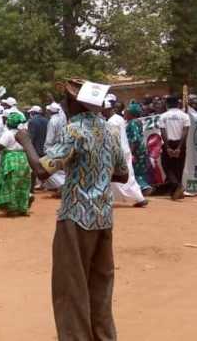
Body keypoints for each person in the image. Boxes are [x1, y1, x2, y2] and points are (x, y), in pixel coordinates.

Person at [17, 78, 128, 341]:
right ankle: (104, 336)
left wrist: (25, 141)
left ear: (73, 103)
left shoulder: (74, 131)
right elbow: (122, 174)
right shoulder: (110, 130)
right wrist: (94, 171)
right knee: (100, 284)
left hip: (76, 215)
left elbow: (43, 170)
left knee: (70, 285)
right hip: (103, 216)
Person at [104, 96, 149, 207]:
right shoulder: (118, 118)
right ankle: (138, 198)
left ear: (107, 109)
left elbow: (114, 139)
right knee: (125, 177)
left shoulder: (112, 122)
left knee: (121, 178)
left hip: (118, 152)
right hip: (124, 150)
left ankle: (138, 198)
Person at [0, 111, 33, 216]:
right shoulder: (24, 133)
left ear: (8, 123)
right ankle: (23, 206)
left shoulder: (8, 134)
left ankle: (12, 208)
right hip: (23, 160)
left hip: (11, 160)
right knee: (22, 183)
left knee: (10, 184)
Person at [158, 95, 190, 200]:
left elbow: (163, 132)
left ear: (167, 104)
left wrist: (167, 147)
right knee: (179, 167)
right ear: (178, 104)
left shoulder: (163, 116)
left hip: (169, 143)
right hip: (180, 143)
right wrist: (179, 147)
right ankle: (177, 191)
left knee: (166, 166)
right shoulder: (185, 116)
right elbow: (185, 132)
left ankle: (177, 187)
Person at [125, 100, 153, 195]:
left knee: (135, 170)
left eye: (126, 112)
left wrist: (131, 152)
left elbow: (135, 139)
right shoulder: (136, 122)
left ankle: (142, 187)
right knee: (139, 170)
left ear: (131, 113)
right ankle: (141, 187)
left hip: (137, 150)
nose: (125, 114)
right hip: (140, 149)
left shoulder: (133, 123)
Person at [43, 102, 67, 194]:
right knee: (59, 168)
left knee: (48, 167)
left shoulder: (52, 121)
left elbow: (50, 136)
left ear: (50, 111)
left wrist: (46, 148)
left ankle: (61, 185)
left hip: (53, 147)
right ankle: (60, 186)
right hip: (61, 145)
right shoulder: (62, 118)